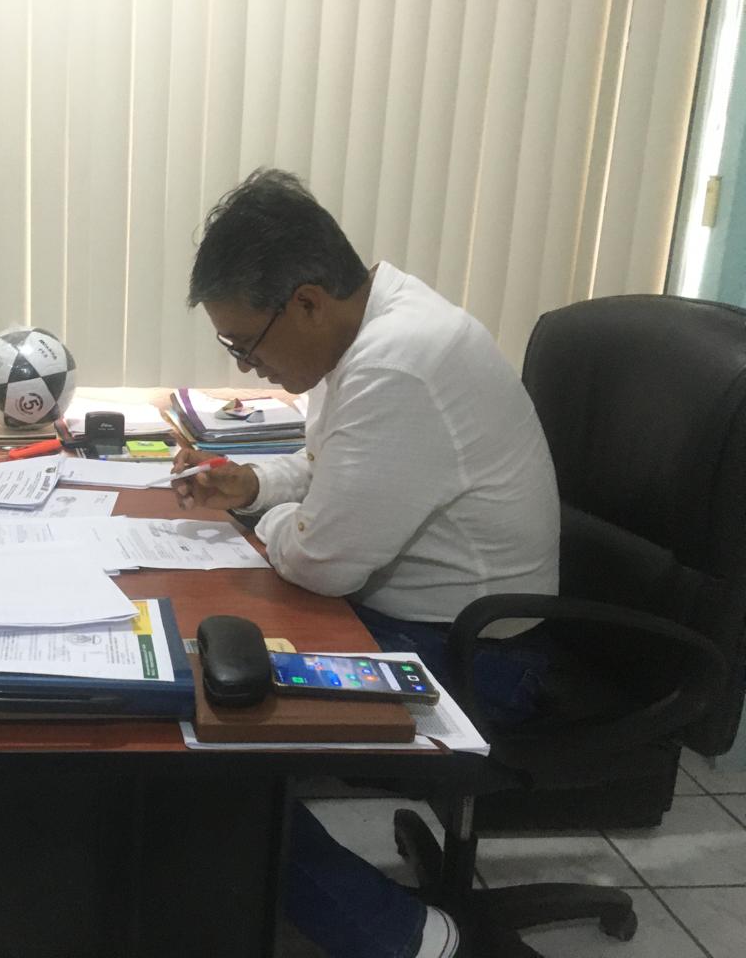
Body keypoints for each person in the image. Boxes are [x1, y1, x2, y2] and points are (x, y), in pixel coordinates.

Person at [174, 169, 561, 958]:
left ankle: (412, 941)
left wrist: (274, 521)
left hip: (479, 657)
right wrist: (254, 485)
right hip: (419, 617)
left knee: (209, 745)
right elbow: (333, 465)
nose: (245, 367)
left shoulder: (398, 363)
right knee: (206, 667)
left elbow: (321, 559)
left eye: (245, 343)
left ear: (307, 302)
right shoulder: (369, 326)